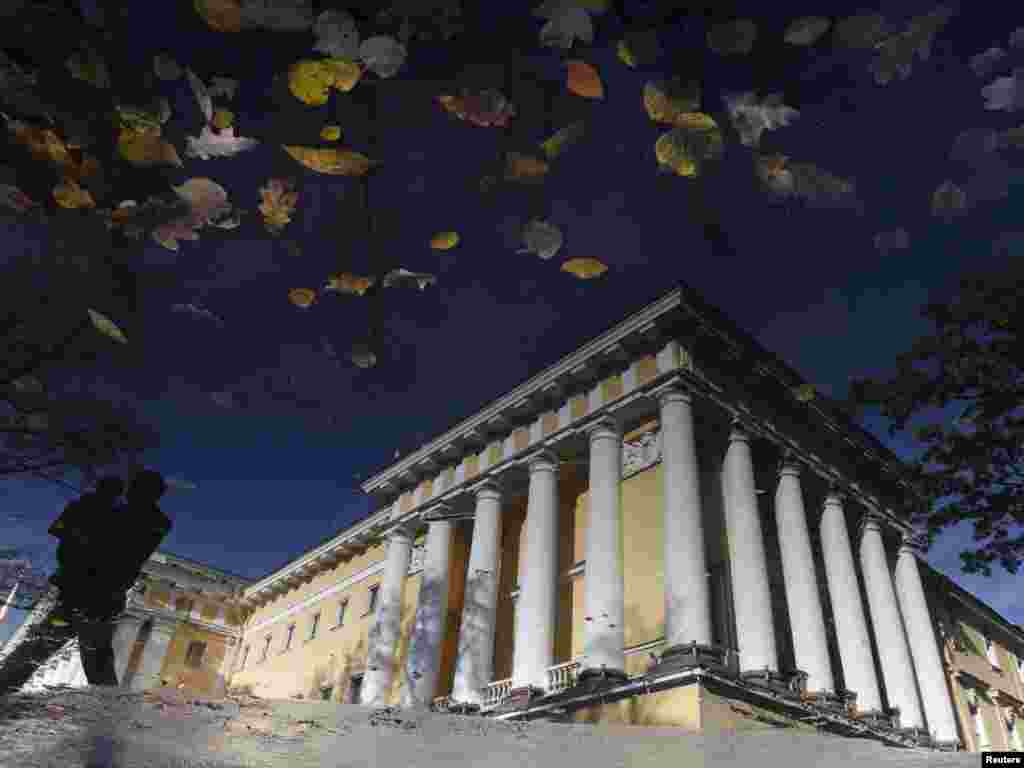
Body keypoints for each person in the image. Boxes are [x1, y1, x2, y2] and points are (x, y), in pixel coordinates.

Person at [49, 470, 173, 687]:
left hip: (94, 592)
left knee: (86, 653)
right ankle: (104, 706)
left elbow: (71, 536)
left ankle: (103, 706)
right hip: (90, 592)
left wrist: (94, 505)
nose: (130, 491)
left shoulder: (135, 516)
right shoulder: (119, 511)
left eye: (135, 487)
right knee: (92, 656)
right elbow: (63, 532)